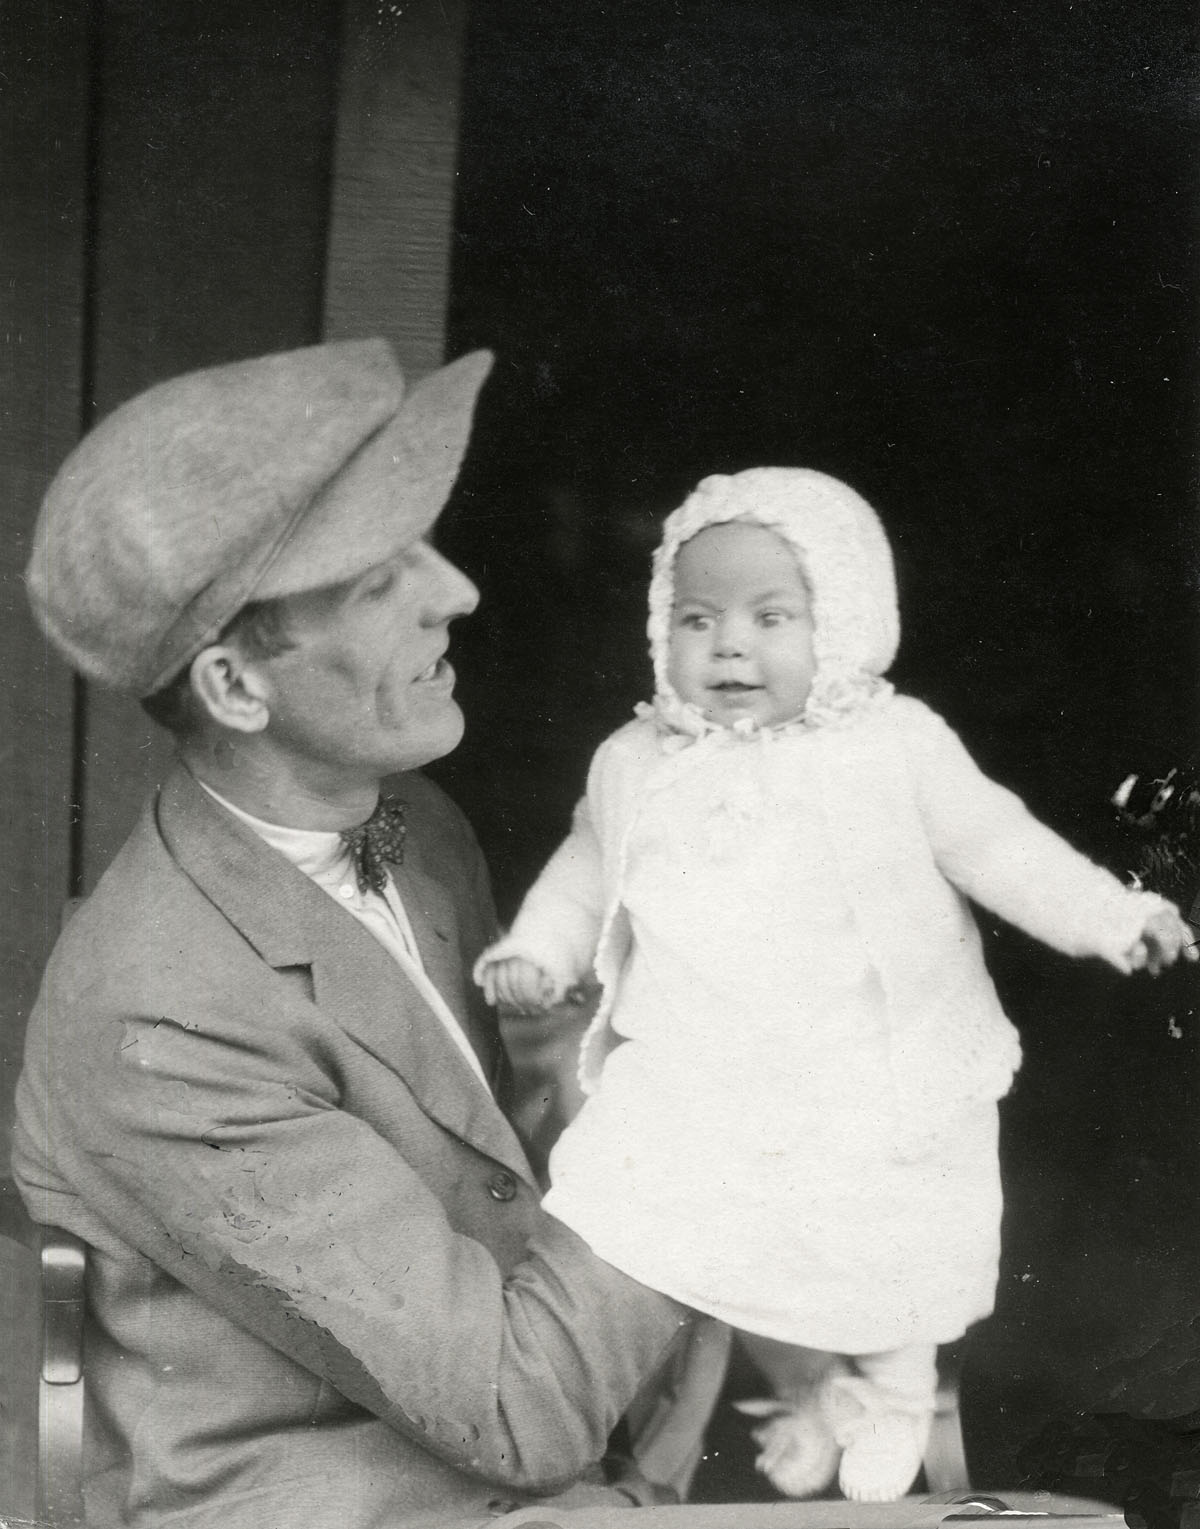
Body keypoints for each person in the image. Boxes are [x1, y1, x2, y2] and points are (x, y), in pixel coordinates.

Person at [10, 340, 730, 1529]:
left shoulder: (414, 824)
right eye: (377, 580)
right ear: (237, 688)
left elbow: (486, 1151)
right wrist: (723, 1100)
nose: (459, 591)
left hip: (544, 1462)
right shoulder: (161, 1016)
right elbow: (515, 1408)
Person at [474, 467, 1197, 1505]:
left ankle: (896, 1390)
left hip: (862, 1057)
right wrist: (542, 948)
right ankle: (806, 1393)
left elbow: (1000, 846)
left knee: (882, 1239)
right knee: (680, 1224)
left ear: (845, 622)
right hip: (703, 1060)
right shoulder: (637, 758)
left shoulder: (892, 745)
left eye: (771, 618)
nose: (729, 647)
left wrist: (1113, 918)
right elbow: (588, 867)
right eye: (697, 619)